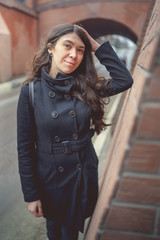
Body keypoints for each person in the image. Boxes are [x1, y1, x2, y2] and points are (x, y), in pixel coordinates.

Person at [17, 23, 133, 240]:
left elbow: (124, 80)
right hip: (52, 180)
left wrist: (97, 47)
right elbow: (24, 148)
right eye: (67, 46)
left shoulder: (86, 86)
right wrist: (31, 194)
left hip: (82, 175)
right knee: (57, 234)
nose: (73, 55)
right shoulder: (31, 91)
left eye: (80, 50)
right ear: (51, 48)